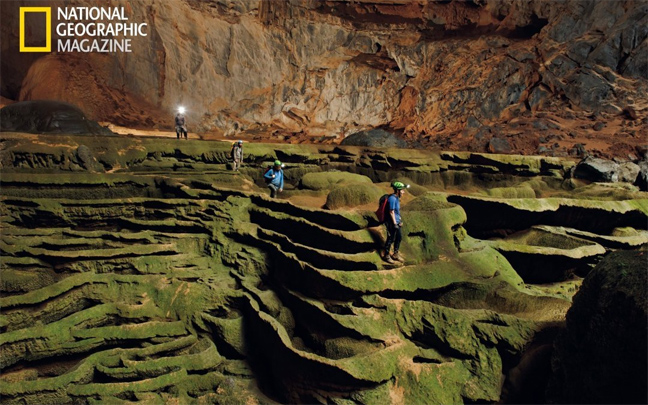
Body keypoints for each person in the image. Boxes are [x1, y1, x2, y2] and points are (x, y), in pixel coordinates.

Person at [382, 181, 409, 264]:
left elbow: (397, 211)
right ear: (397, 191)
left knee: (399, 237)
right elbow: (391, 212)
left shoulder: (397, 198)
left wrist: (399, 220)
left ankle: (395, 254)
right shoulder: (392, 199)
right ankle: (386, 256)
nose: (403, 192)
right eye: (402, 190)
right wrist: (394, 223)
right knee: (391, 239)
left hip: (397, 221)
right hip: (391, 222)